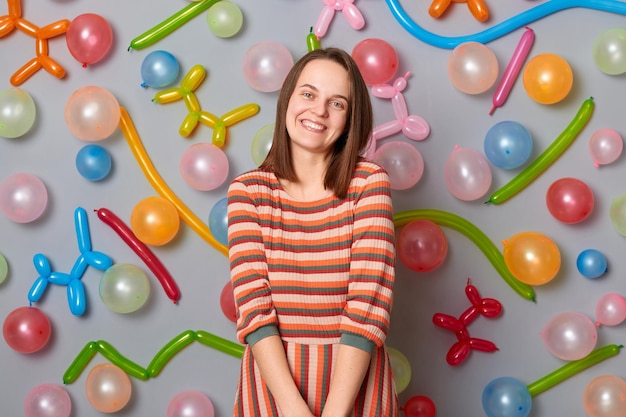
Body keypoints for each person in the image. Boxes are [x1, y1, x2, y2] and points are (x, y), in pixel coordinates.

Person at [227, 47, 398, 417]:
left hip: (355, 390)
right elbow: (255, 313)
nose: (319, 110)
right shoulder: (248, 192)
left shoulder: (368, 183)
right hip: (274, 392)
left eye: (337, 103)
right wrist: (293, 409)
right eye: (308, 94)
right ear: (287, 99)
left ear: (351, 118)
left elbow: (367, 309)